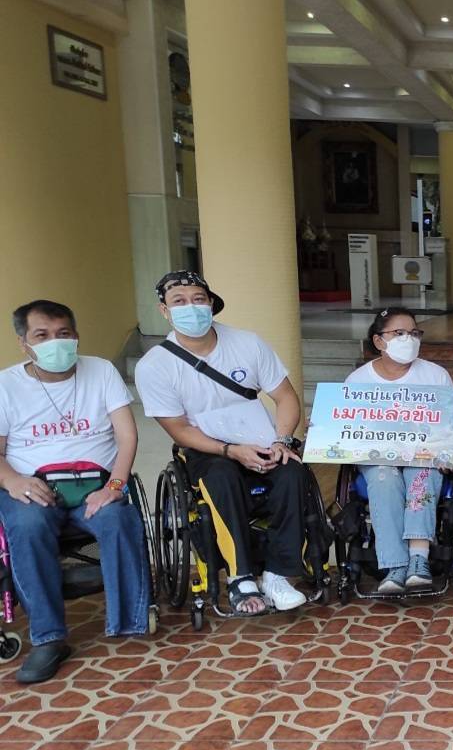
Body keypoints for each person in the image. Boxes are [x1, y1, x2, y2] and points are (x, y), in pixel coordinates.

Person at [135, 271, 309, 614]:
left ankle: (277, 575)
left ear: (211, 303)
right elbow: (178, 429)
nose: (191, 307)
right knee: (222, 476)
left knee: (293, 472)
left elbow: (286, 397)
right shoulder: (154, 366)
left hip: (261, 438)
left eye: (198, 299)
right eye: (179, 301)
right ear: (164, 311)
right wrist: (230, 451)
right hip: (207, 448)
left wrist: (282, 441)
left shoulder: (247, 344)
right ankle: (240, 576)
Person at [0, 301, 150, 683]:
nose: (56, 342)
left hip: (96, 484)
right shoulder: (6, 385)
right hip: (33, 486)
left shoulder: (100, 371)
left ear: (76, 336)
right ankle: (48, 638)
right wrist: (14, 481)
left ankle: (129, 621)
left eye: (63, 334)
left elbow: (127, 435)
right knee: (27, 526)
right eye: (42, 335)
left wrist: (115, 485)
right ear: (23, 343)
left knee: (118, 518)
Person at [346, 307, 453, 594]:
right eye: (399, 333)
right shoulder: (358, 381)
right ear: (379, 340)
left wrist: (445, 452)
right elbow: (348, 429)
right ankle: (395, 565)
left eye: (414, 333)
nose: (409, 339)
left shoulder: (436, 376)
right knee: (385, 478)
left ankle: (419, 559)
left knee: (421, 474)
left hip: (423, 455)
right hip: (377, 458)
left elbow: (450, 426)